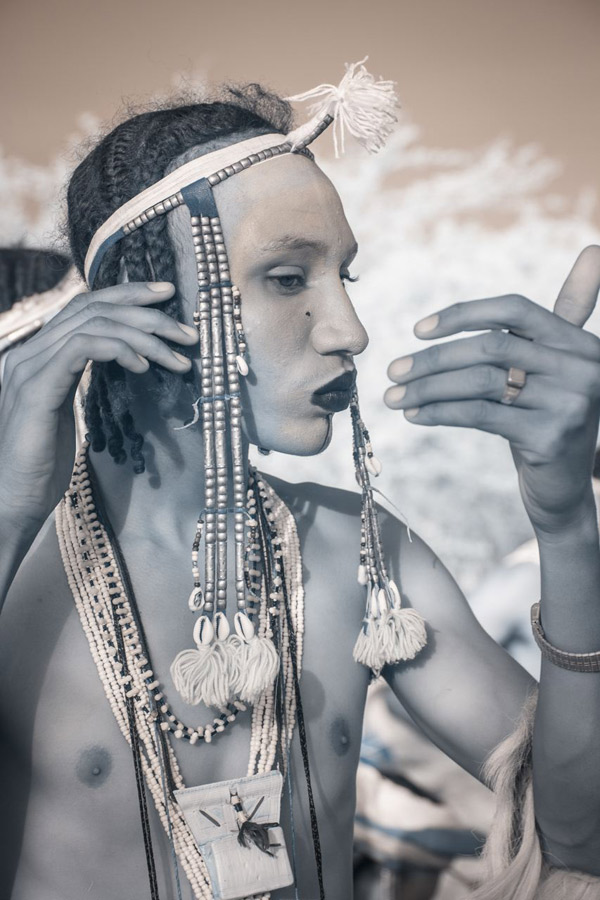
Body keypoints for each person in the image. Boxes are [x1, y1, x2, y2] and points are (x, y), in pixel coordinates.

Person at [1, 65, 600, 900]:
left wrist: (568, 524)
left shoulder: (365, 555)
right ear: (140, 299)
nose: (348, 329)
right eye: (287, 280)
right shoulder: (19, 560)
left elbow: (581, 837)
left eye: (342, 276)